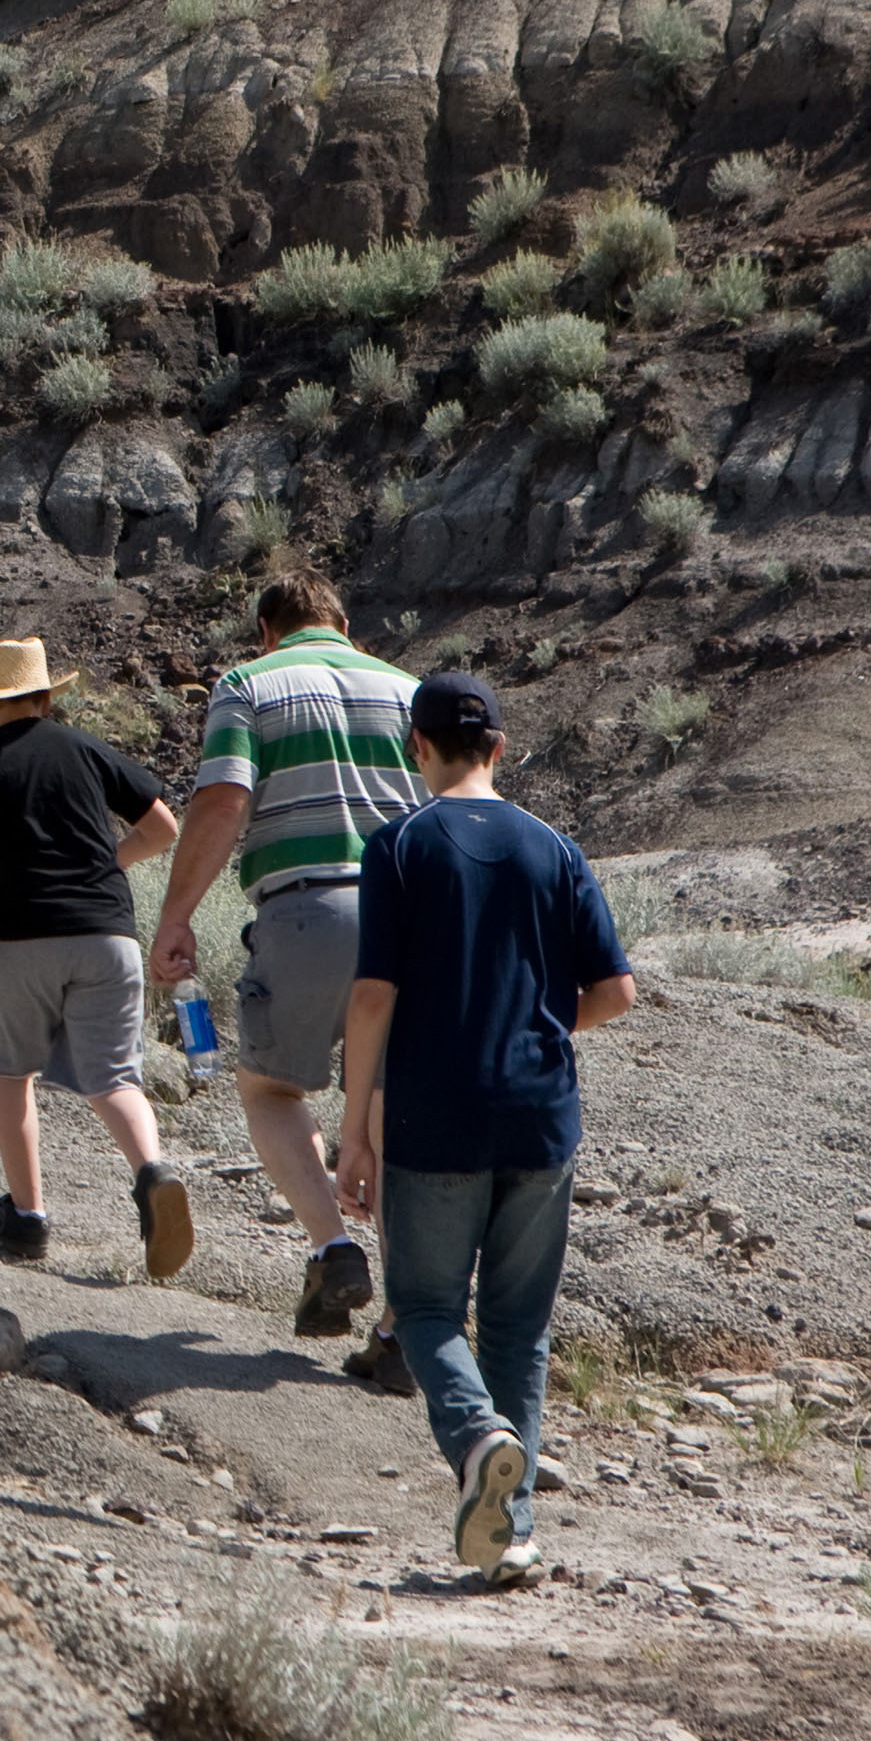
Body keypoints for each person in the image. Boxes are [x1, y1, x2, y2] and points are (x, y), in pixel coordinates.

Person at [338, 670, 633, 1583]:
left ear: (415, 748)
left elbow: (373, 994)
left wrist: (354, 1125)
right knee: (518, 1328)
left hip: (436, 1113)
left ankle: (478, 1438)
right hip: (542, 1118)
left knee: (426, 1305)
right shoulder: (556, 847)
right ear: (500, 747)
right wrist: (539, 1031)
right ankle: (517, 1532)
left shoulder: (400, 845)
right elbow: (616, 992)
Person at [150, 571, 424, 1340]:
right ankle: (407, 1322)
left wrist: (175, 914)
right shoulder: (407, 688)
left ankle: (334, 1249)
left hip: (305, 910)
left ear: (268, 629)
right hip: (408, 913)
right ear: (342, 620)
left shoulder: (250, 680)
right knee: (390, 1108)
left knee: (270, 1088)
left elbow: (225, 798)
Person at [0, 636, 197, 1275]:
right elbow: (164, 825)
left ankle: (26, 1217)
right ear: (47, 696)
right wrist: (109, 862)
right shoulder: (85, 748)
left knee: (10, 1071)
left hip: (24, 937)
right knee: (114, 1077)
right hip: (109, 936)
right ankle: (152, 1172)